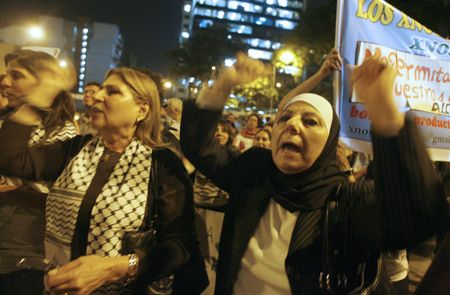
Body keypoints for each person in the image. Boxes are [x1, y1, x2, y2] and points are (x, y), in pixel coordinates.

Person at [180, 51, 449, 294]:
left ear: (330, 144)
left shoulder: (345, 201)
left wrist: (384, 111)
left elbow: (417, 216)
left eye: (310, 121)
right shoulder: (254, 171)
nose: (292, 125)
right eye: (284, 118)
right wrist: (225, 83)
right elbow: (199, 145)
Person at [0, 67, 208, 294]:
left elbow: (180, 245)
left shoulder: (161, 163)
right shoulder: (75, 149)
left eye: (112, 92)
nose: (97, 96)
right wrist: (37, 100)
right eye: (100, 90)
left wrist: (115, 268)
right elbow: (9, 160)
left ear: (142, 109)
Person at [0, 49, 78, 295]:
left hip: (26, 252)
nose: (5, 81)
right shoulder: (6, 121)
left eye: (17, 75)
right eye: (5, 74)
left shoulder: (61, 134)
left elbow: (61, 201)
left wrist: (10, 193)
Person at [193, 119, 240, 295]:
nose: (219, 133)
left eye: (223, 130)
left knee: (215, 256)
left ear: (230, 135)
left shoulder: (233, 154)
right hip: (198, 208)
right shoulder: (201, 154)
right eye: (216, 129)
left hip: (220, 210)